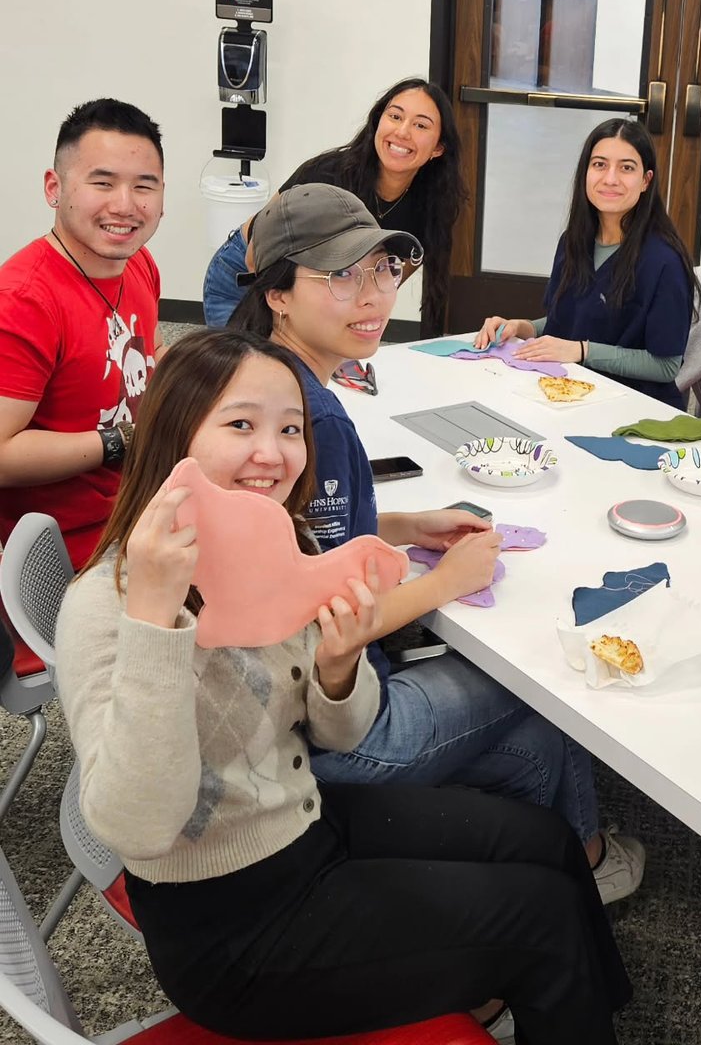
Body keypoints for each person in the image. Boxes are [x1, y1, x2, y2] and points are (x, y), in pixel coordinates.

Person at [54, 329, 631, 1043]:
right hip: (231, 933)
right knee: (540, 918)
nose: (274, 453)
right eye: (241, 425)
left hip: (302, 826)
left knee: (543, 839)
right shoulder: (108, 604)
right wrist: (153, 620)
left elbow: (342, 733)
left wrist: (337, 666)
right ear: (175, 437)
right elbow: (139, 828)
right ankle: (544, 980)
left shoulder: (272, 549)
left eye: (290, 429)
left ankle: (564, 1000)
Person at [229, 182, 645, 902]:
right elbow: (330, 612)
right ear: (278, 294)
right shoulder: (311, 415)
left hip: (276, 709)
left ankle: (563, 856)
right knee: (541, 676)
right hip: (332, 729)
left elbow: (296, 544)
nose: (372, 295)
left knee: (538, 744)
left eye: (382, 270)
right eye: (340, 276)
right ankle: (559, 864)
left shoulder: (262, 377)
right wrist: (447, 578)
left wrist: (402, 526)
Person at [0, 99, 165, 567]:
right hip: (74, 550)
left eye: (144, 186)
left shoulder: (138, 265)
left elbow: (140, 356)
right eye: (103, 182)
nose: (126, 205)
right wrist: (124, 440)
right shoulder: (23, 301)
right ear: (55, 188)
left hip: (143, 508)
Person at [203, 77, 466, 336]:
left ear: (438, 148)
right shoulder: (328, 174)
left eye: (421, 125)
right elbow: (255, 256)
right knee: (253, 367)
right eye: (395, 117)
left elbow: (382, 286)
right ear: (377, 123)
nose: (402, 132)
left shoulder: (431, 205)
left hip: (317, 290)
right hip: (249, 276)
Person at [474, 117, 698, 410]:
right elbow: (567, 322)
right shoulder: (573, 242)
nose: (610, 178)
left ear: (646, 181)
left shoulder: (665, 261)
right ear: (586, 173)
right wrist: (520, 327)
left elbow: (666, 366)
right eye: (600, 165)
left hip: (636, 407)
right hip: (570, 391)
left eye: (626, 168)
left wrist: (582, 351)